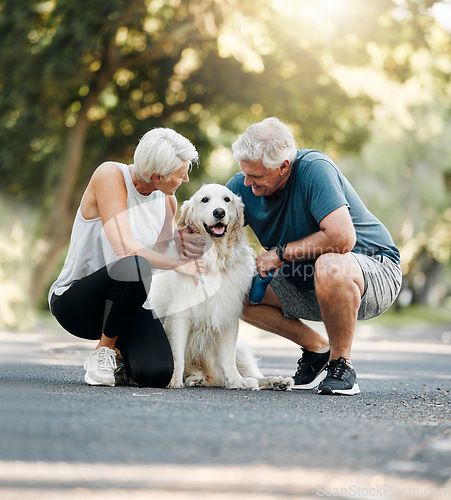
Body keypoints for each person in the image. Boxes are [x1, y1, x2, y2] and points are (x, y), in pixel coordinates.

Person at [225, 117, 402, 395]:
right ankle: (317, 348)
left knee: (330, 264)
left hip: (372, 274)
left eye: (256, 176)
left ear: (284, 166)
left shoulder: (313, 169)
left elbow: (342, 239)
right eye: (245, 173)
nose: (247, 183)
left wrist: (280, 254)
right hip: (307, 281)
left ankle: (341, 365)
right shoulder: (244, 184)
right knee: (236, 289)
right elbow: (208, 227)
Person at [48, 128, 206, 388]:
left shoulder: (167, 200)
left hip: (126, 305)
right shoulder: (110, 175)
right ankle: (104, 351)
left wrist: (182, 242)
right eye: (181, 174)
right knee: (135, 265)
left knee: (157, 374)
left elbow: (162, 249)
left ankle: (122, 359)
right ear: (158, 176)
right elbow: (126, 250)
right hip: (78, 304)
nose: (186, 179)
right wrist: (179, 265)